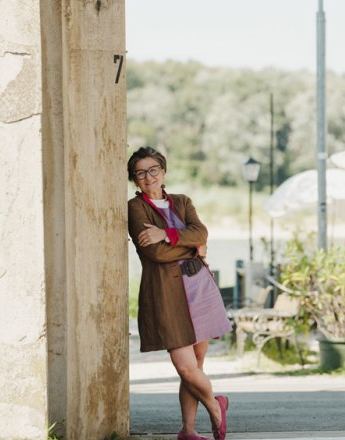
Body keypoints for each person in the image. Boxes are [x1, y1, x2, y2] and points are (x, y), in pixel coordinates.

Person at [127, 146, 232, 440]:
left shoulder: (183, 202)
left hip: (199, 286)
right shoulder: (135, 208)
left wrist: (167, 233)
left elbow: (202, 233)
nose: (148, 177)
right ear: (135, 180)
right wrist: (189, 244)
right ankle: (215, 405)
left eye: (153, 170)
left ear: (163, 171)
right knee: (185, 368)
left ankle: (187, 430)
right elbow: (156, 253)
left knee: (197, 364)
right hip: (166, 294)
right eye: (140, 173)